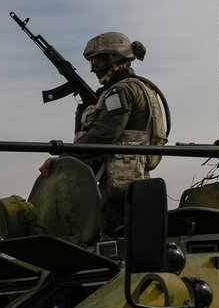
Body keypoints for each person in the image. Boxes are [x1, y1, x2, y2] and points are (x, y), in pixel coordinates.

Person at [40, 31, 169, 237]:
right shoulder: (143, 88)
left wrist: (65, 158)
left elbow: (103, 135)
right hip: (135, 182)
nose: (94, 70)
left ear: (116, 60)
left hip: (118, 191)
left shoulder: (122, 91)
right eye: (92, 63)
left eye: (99, 62)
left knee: (112, 244)